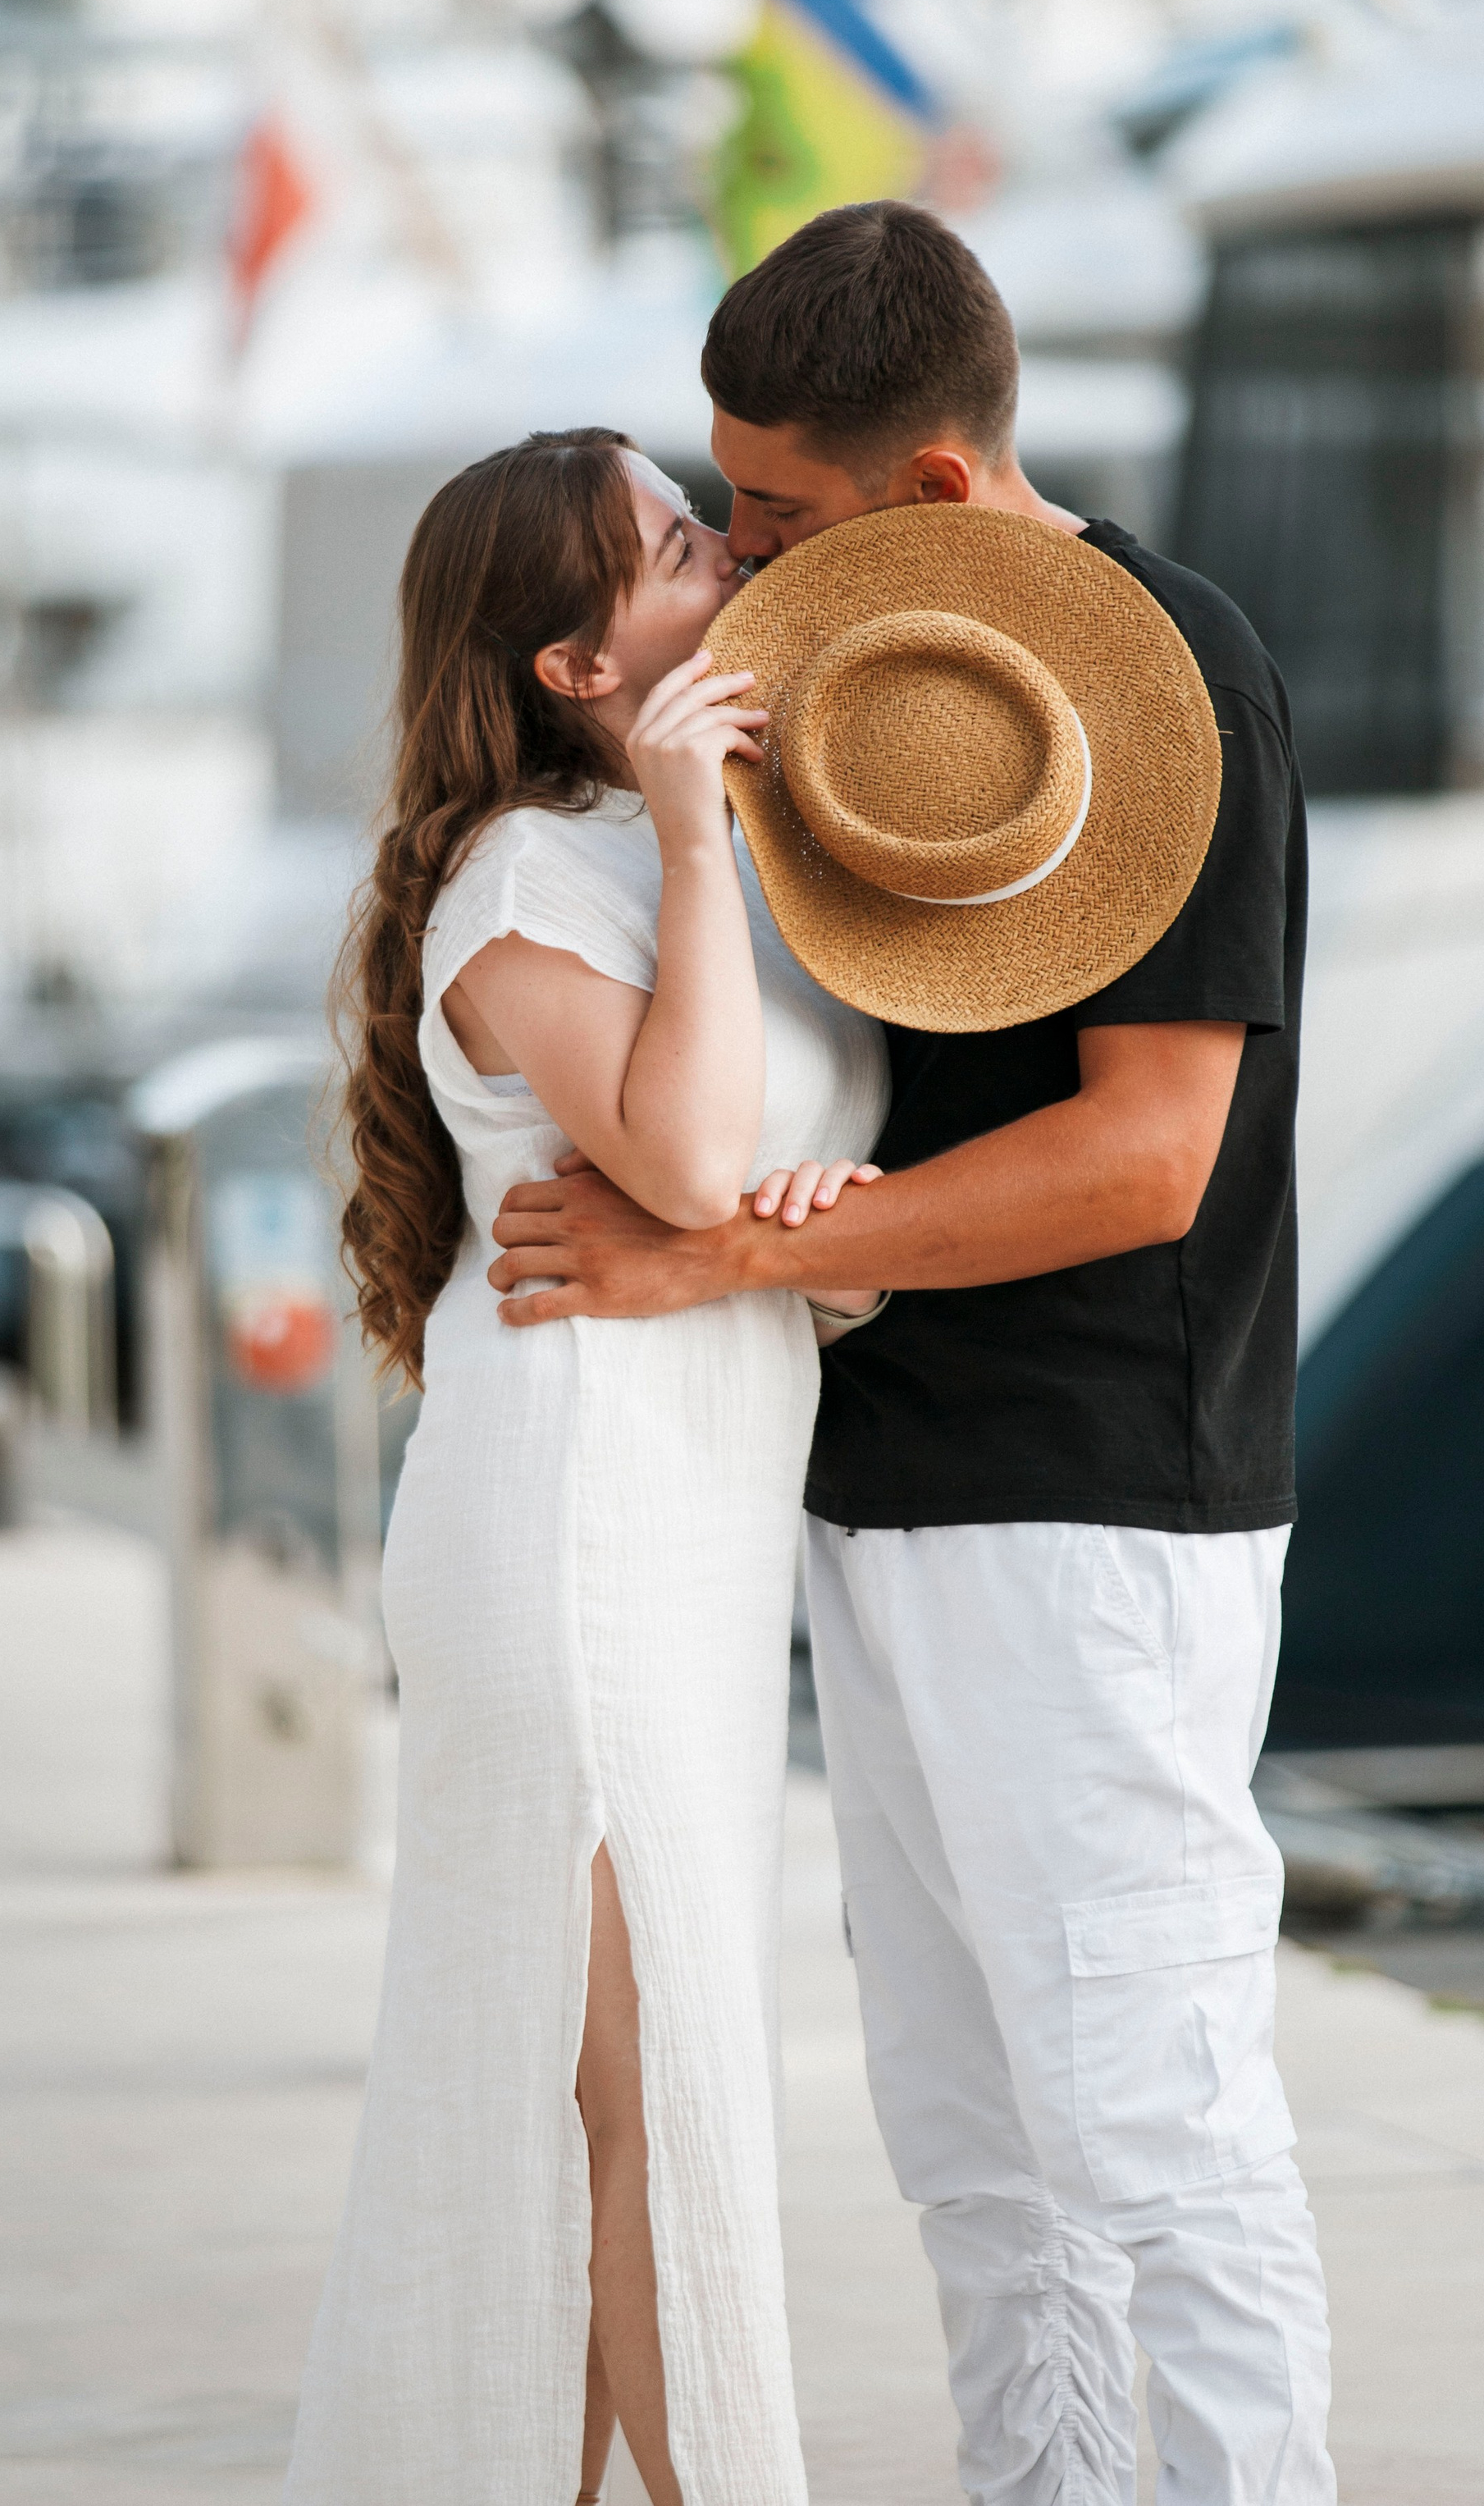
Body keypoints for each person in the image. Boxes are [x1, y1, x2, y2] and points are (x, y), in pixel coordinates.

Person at [489, 204, 1340, 2506]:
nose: (742, 547)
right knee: (971, 2133)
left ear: (936, 485)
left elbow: (1146, 1155)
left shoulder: (1171, 678)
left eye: (772, 507)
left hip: (1095, 1493)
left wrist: (718, 1263)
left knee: (1155, 2116)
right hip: (885, 1480)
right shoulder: (852, 668)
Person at [285, 428, 889, 2506]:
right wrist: (696, 836)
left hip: (686, 1530)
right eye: (673, 544)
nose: (726, 551)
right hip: (572, 1526)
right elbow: (692, 1157)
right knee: (645, 2104)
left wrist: (825, 1242)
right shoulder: (530, 879)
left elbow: (763, 1207)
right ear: (573, 664)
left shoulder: (677, 844)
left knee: (613, 2107)